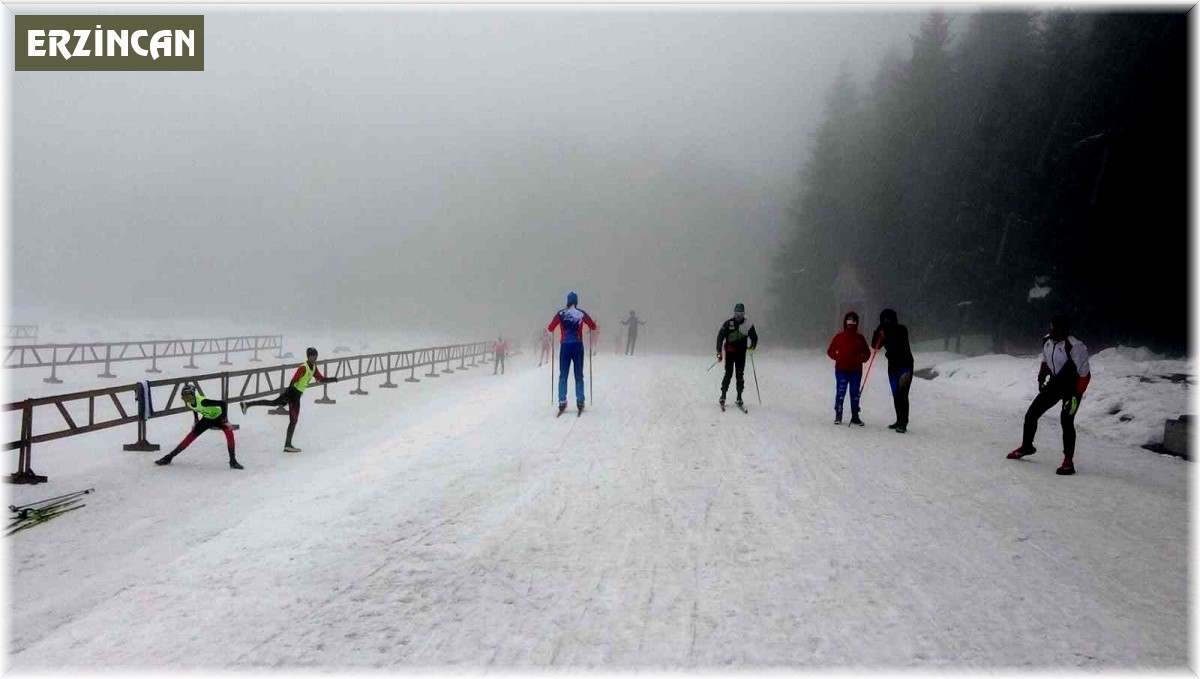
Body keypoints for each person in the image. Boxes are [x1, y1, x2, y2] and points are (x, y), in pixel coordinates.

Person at [1007, 314, 1091, 475]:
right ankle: (1027, 446)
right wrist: (1041, 376)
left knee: (1066, 421)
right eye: (1052, 328)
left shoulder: (1075, 346)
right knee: (1031, 414)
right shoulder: (1047, 341)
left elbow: (1085, 375)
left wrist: (1076, 396)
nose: (1053, 331)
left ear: (1065, 329)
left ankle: (1068, 461)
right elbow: (1045, 360)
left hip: (1073, 388)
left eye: (1057, 329)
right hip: (1055, 384)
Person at [241, 346, 337, 453]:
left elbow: (320, 378)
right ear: (308, 356)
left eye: (316, 356)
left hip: (296, 395)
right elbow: (293, 380)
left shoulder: (313, 367)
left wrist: (333, 379)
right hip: (293, 394)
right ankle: (287, 445)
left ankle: (247, 404)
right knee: (293, 420)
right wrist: (287, 396)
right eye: (313, 356)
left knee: (273, 404)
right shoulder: (303, 367)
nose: (315, 358)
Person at [155, 384, 242, 469]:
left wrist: (225, 420)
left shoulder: (203, 402)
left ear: (192, 395)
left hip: (219, 418)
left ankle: (233, 461)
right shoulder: (189, 403)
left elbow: (222, 404)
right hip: (207, 419)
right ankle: (169, 457)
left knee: (230, 435)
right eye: (183, 396)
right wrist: (196, 420)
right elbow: (194, 408)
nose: (183, 398)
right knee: (189, 438)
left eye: (185, 396)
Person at [547, 291, 598, 415]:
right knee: (578, 375)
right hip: (577, 346)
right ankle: (580, 401)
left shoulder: (560, 314)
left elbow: (550, 328)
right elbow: (593, 326)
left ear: (567, 301)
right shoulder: (581, 314)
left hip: (565, 347)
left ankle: (562, 401)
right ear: (576, 301)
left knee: (563, 375)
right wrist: (593, 325)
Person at [870, 308, 914, 433]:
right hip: (893, 366)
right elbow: (875, 346)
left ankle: (903, 422)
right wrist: (878, 332)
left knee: (903, 392)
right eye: (884, 320)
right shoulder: (883, 331)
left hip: (905, 365)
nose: (887, 322)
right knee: (896, 393)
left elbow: (897, 342)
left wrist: (885, 333)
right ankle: (899, 419)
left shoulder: (901, 329)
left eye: (889, 319)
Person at [827, 310, 872, 425]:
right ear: (845, 322)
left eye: (854, 321)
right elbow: (830, 351)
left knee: (855, 393)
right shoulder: (839, 337)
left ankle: (855, 415)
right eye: (849, 321)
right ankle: (838, 414)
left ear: (857, 323)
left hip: (856, 371)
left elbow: (867, 352)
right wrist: (839, 357)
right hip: (841, 369)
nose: (851, 324)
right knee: (841, 392)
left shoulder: (860, 338)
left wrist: (862, 359)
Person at [716, 303, 758, 408]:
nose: (738, 316)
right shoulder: (728, 323)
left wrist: (752, 347)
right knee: (728, 374)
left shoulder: (748, 324)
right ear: (734, 313)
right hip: (730, 354)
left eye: (741, 313)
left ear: (744, 313)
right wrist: (719, 352)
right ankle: (723, 395)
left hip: (740, 355)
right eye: (736, 313)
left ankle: (739, 397)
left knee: (739, 375)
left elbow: (754, 337)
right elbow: (720, 337)